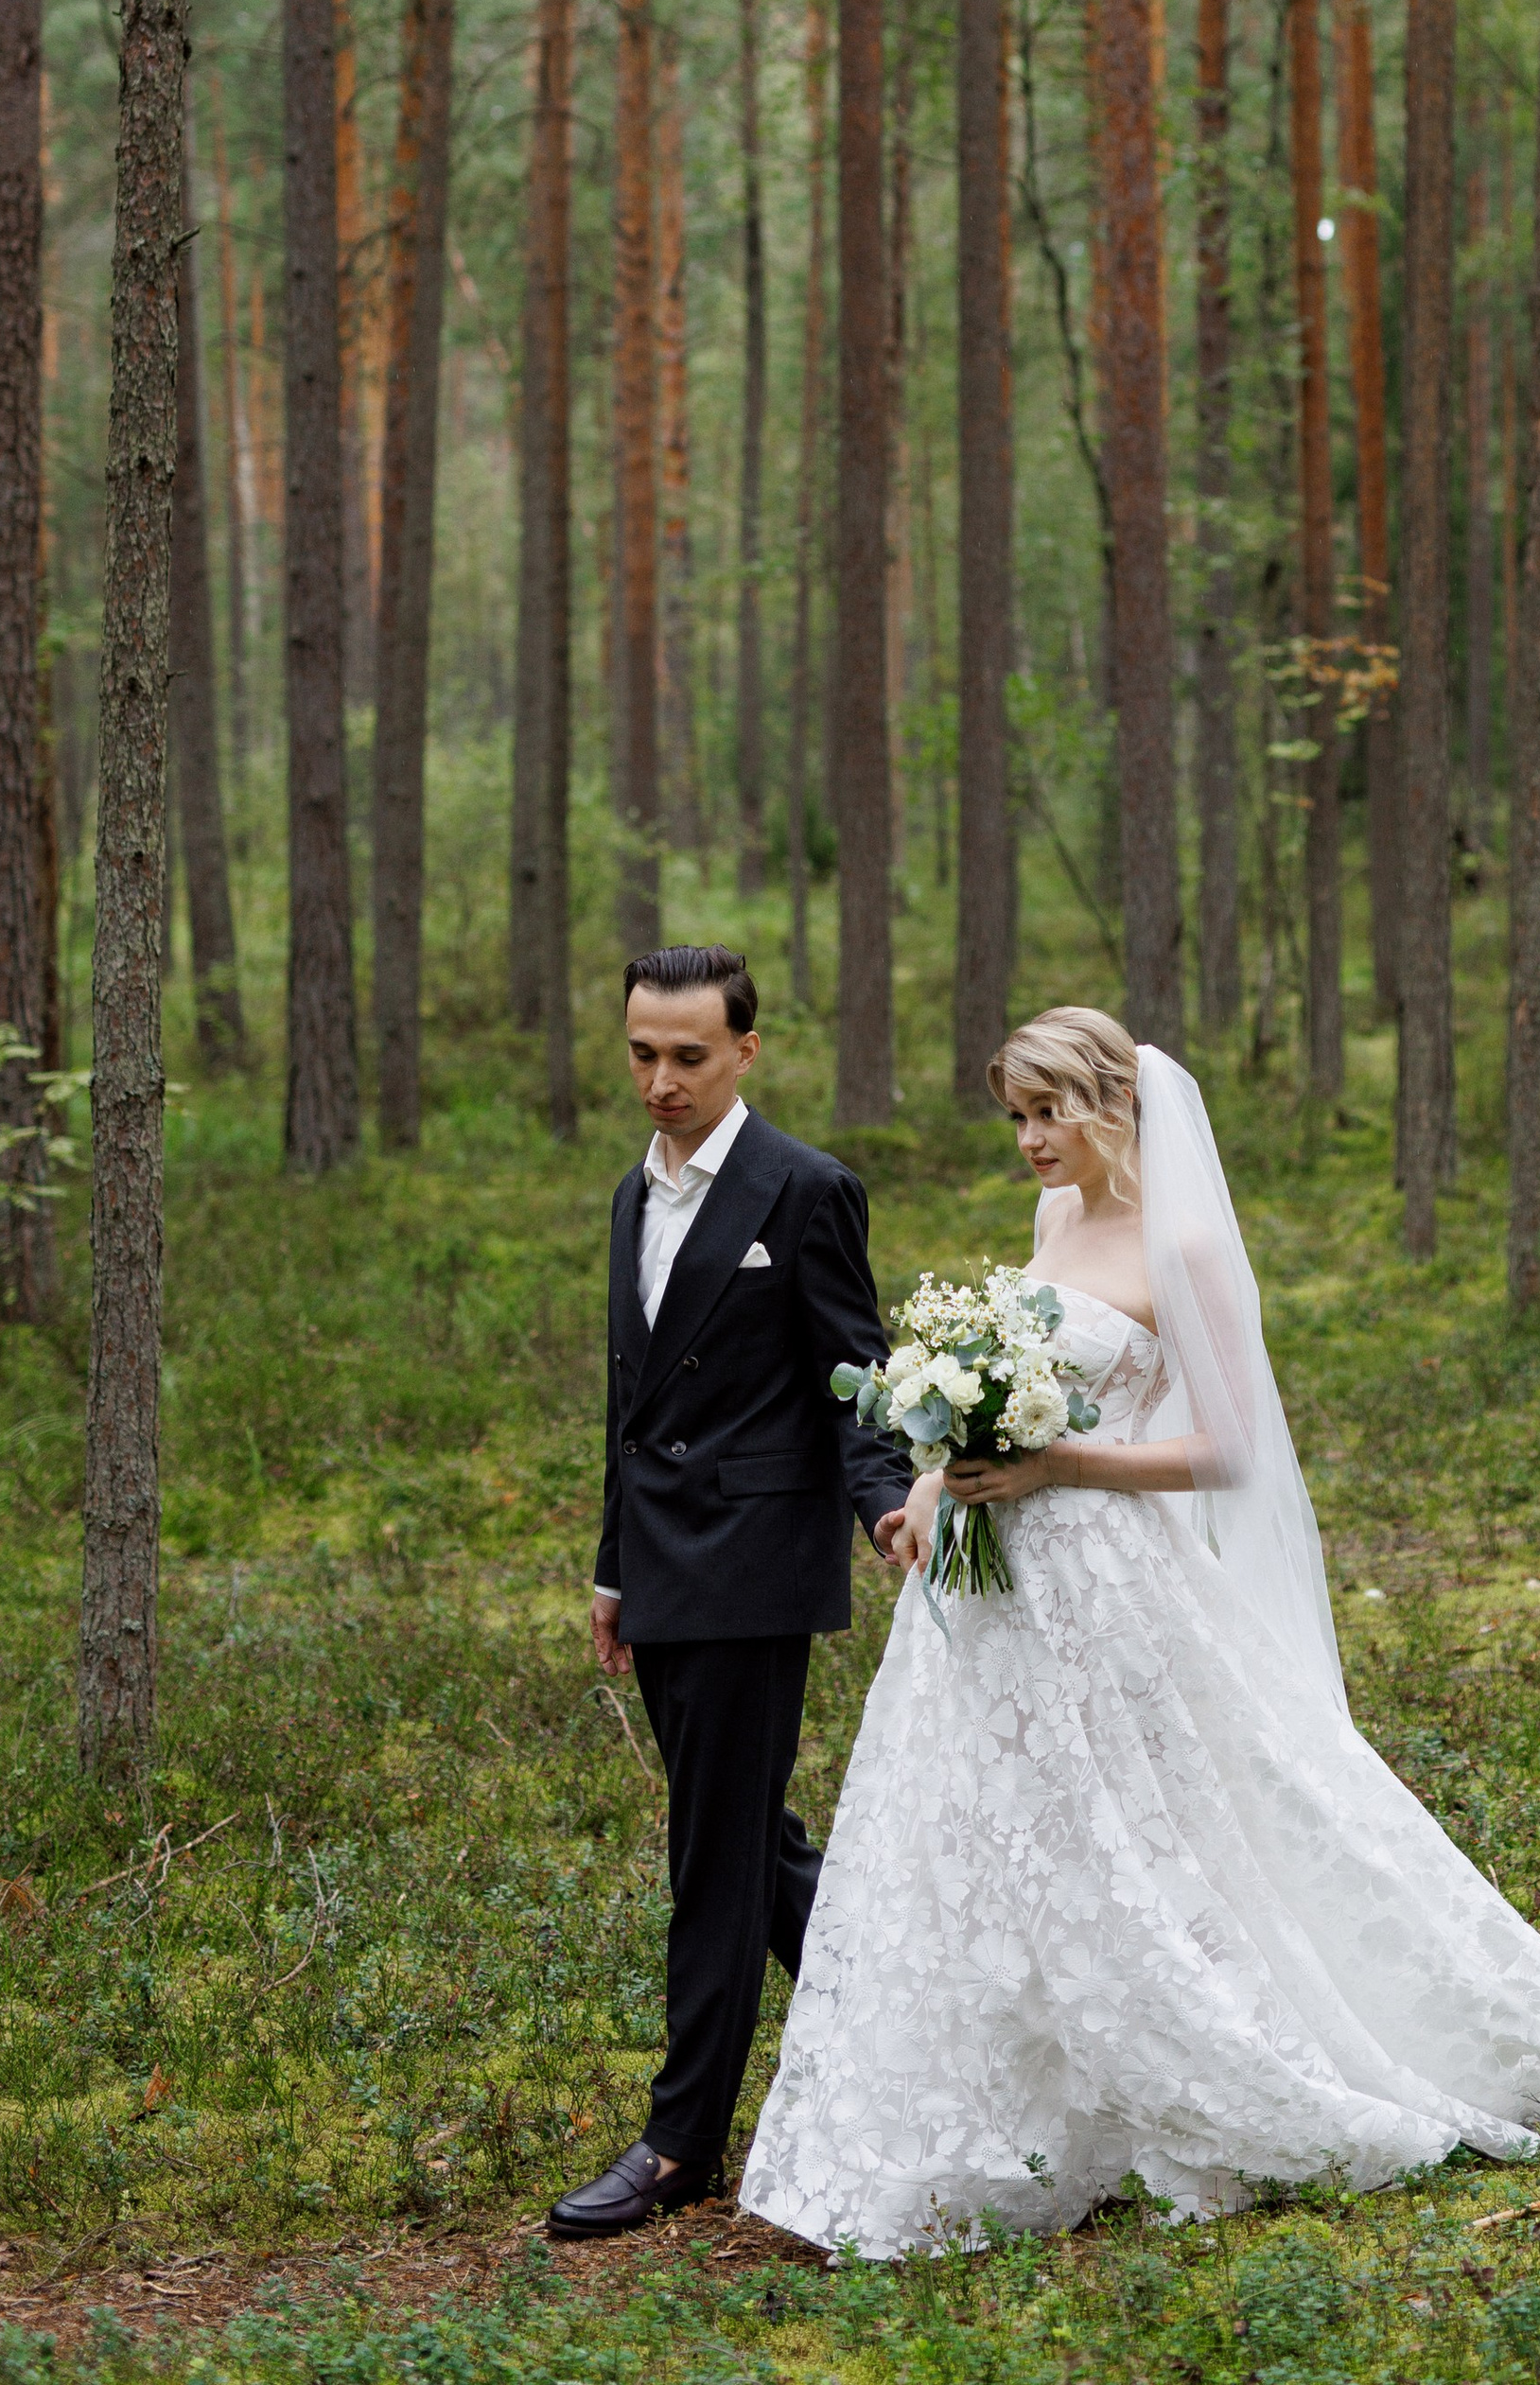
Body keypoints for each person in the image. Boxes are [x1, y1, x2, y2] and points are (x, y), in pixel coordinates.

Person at [739, 1006, 1540, 2259]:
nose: (1031, 1140)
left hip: (1109, 1580)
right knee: (987, 1830)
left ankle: (1206, 2059)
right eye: (1017, 1116)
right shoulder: (1051, 1221)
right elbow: (988, 1406)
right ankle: (1002, 2109)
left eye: (1050, 1111)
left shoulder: (1182, 1243)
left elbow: (1226, 1448)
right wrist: (937, 1474)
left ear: (1113, 1105)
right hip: (990, 1602)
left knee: (1136, 1830)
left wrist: (1059, 1462)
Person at [546, 945, 914, 2242]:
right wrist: (611, 1565)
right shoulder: (628, 1196)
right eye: (643, 1051)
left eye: (689, 1054)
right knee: (749, 1839)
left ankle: (678, 2142)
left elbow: (855, 1371)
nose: (661, 1078)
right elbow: (630, 1406)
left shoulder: (804, 1187)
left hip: (755, 1566)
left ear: (745, 1050)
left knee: (711, 1857)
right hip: (661, 1562)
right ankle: (913, 2039)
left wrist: (887, 1500)